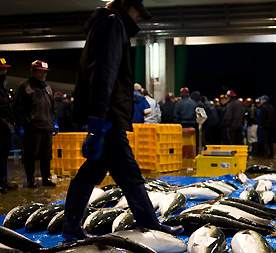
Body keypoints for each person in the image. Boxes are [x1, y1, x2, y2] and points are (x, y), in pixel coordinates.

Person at [62, 0, 183, 240]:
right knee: (127, 170)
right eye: (138, 12)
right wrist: (98, 119)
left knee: (94, 169)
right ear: (127, 5)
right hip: (108, 116)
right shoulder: (112, 24)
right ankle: (150, 224)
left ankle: (71, 225)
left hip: (107, 113)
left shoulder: (105, 24)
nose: (138, 18)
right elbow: (104, 71)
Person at [13, 60, 58, 188]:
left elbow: (53, 107)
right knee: (30, 155)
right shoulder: (24, 87)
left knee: (46, 155)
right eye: (40, 71)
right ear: (32, 71)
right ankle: (30, 179)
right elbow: (18, 107)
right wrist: (20, 125)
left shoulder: (48, 88)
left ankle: (46, 178)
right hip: (32, 128)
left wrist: (54, 121)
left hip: (47, 127)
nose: (43, 74)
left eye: (45, 72)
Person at [0, 58, 18, 192]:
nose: (4, 71)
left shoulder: (2, 88)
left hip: (4, 128)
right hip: (0, 126)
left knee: (3, 154)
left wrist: (11, 121)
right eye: (2, 69)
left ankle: (3, 181)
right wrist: (6, 123)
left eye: (5, 69)